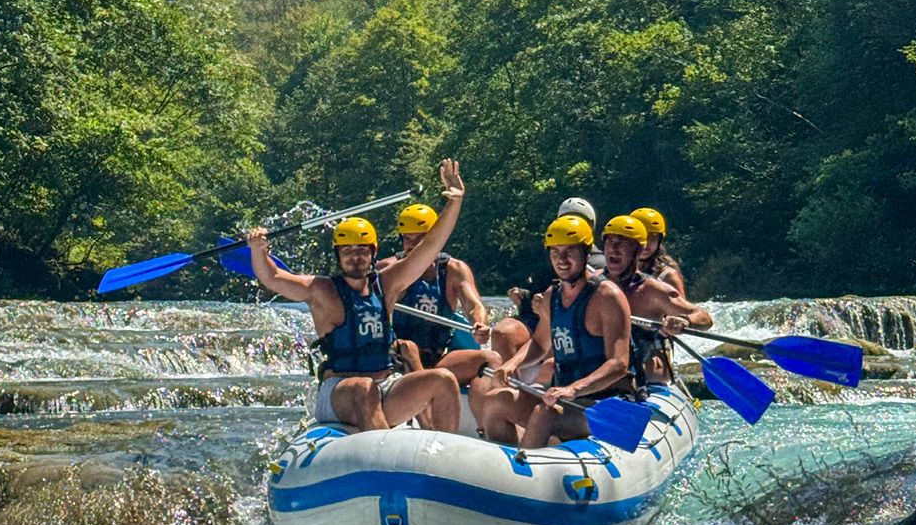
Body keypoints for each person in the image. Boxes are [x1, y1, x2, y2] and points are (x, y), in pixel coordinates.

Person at [245, 161, 467, 432]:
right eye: (347, 251)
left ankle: (441, 458)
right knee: (364, 389)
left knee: (443, 379)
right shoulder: (321, 290)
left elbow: (430, 246)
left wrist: (454, 202)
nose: (355, 257)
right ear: (338, 256)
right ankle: (383, 459)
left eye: (362, 250)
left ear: (374, 253)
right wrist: (259, 251)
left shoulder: (388, 283)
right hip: (340, 392)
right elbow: (273, 278)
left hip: (385, 386)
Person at [472, 215, 633, 448]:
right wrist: (512, 364)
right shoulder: (551, 296)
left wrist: (573, 389)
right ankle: (506, 463)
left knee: (544, 414)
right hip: (564, 399)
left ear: (586, 253)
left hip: (603, 403)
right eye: (555, 252)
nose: (562, 260)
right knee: (497, 401)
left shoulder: (608, 297)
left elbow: (619, 363)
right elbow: (539, 344)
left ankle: (524, 472)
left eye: (570, 252)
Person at [602, 214, 711, 386]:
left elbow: (704, 317)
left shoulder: (653, 289)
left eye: (622, 244)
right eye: (610, 242)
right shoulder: (591, 286)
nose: (614, 249)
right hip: (605, 376)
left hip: (648, 376)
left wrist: (683, 321)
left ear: (637, 251)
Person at [383, 203, 488, 376]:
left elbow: (474, 305)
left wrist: (480, 324)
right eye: (408, 239)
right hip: (398, 358)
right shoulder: (388, 269)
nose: (414, 246)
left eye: (420, 239)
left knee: (489, 359)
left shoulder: (454, 270)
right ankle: (424, 388)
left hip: (440, 356)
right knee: (409, 348)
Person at [509, 195, 605, 326]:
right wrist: (524, 299)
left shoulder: (603, 266)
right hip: (546, 324)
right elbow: (537, 293)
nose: (562, 259)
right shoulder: (551, 267)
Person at [628, 206, 687, 299]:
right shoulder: (618, 270)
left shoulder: (668, 276)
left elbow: (682, 312)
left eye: (652, 238)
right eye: (641, 238)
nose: (646, 245)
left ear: (659, 241)